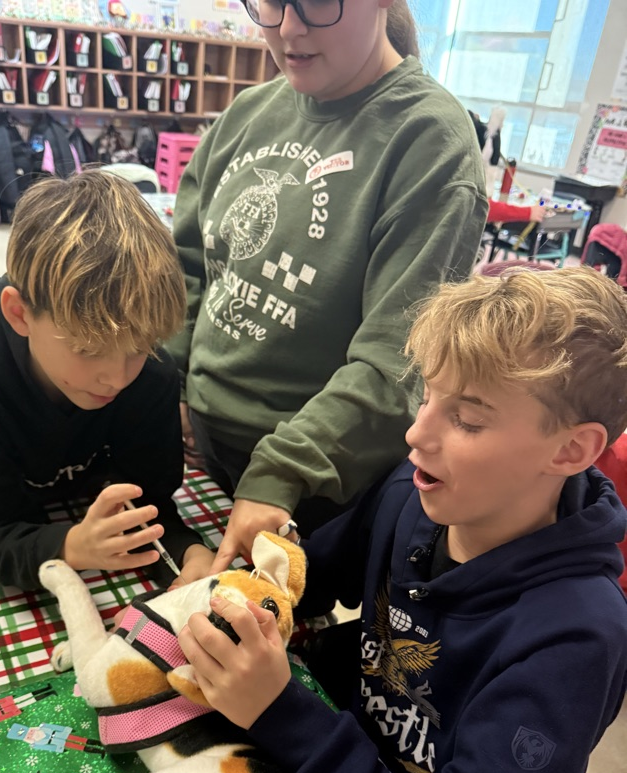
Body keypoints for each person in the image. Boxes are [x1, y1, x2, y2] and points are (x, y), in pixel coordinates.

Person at [178, 266, 627, 773]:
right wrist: (242, 591)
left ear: (571, 451)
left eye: (468, 419)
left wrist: (281, 713)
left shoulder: (579, 634)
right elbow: (307, 580)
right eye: (427, 395)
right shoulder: (412, 495)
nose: (417, 433)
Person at [168, 0, 488, 572]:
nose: (288, 28)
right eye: (271, 3)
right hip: (200, 446)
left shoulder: (428, 141)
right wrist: (172, 385)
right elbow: (186, 266)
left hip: (311, 480)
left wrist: (282, 469)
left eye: (317, 1)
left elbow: (397, 362)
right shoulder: (249, 113)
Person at [0, 171, 214, 591]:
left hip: (84, 496)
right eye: (88, 349)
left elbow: (149, 503)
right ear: (19, 314)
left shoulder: (151, 377)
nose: (117, 379)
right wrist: (71, 545)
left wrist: (188, 551)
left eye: (141, 346)